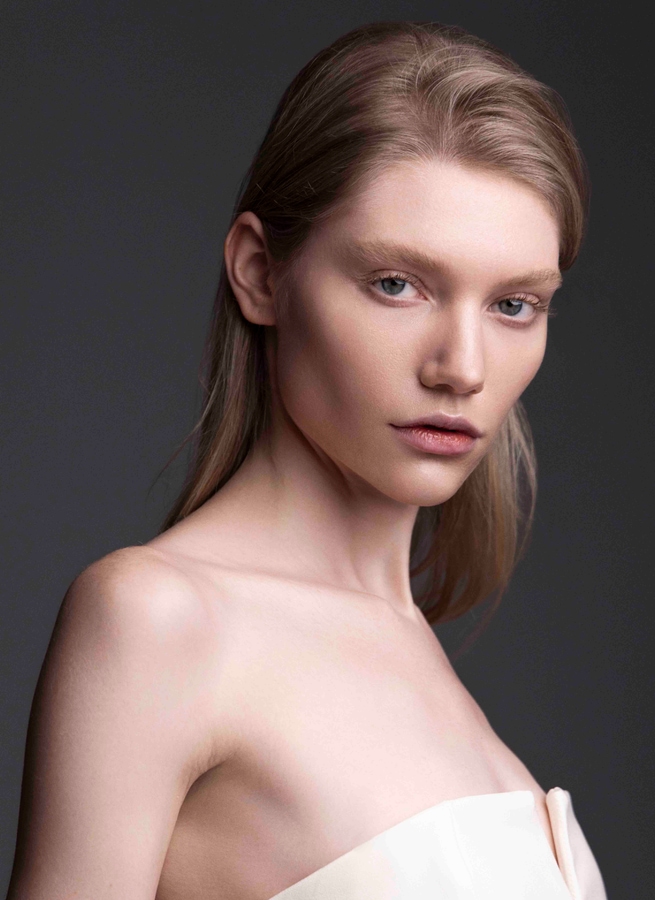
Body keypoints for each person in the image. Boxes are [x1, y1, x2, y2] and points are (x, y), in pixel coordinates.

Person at [6, 21, 607, 900]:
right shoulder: (160, 621)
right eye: (397, 284)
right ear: (260, 273)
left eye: (514, 305)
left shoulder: (414, 649)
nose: (463, 368)